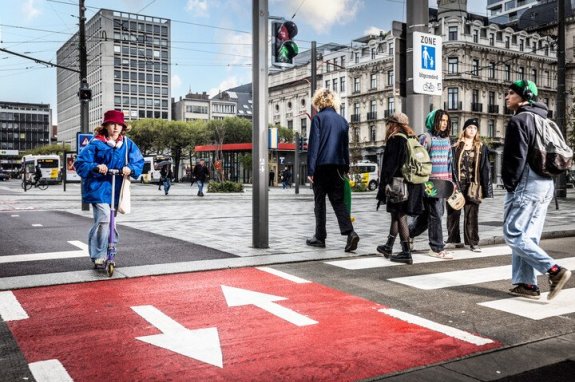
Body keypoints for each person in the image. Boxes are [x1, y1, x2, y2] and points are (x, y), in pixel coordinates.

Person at [502, 80, 571, 300]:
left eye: (511, 93)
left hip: (526, 181)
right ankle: (527, 284)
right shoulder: (544, 119)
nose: (506, 96)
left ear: (523, 98)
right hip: (545, 184)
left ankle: (554, 271)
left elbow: (516, 157)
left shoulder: (520, 120)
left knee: (513, 233)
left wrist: (510, 184)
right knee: (528, 236)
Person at [74, 110, 144, 265]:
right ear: (105, 126)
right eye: (112, 124)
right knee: (104, 218)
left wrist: (130, 168)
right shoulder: (95, 143)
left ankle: (109, 251)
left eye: (119, 124)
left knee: (110, 221)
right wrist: (96, 166)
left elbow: (138, 162)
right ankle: (98, 255)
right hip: (98, 187)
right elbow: (80, 163)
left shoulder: (127, 144)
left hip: (116, 189)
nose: (115, 127)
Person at [306, 87, 359, 252]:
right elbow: (345, 147)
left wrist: (311, 170)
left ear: (318, 102)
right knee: (338, 202)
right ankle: (350, 233)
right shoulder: (343, 121)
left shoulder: (318, 119)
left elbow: (313, 146)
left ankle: (319, 237)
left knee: (319, 202)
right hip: (338, 167)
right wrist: (346, 167)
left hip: (322, 167)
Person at [376, 113, 424, 264]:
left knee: (400, 215)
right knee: (396, 215)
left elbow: (389, 166)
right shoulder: (411, 138)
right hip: (412, 184)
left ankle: (406, 252)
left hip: (398, 184)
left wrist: (383, 186)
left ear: (393, 124)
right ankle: (388, 246)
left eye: (388, 124)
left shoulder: (395, 139)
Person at [409, 109, 453, 260]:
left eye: (446, 121)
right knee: (436, 214)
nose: (444, 124)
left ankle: (408, 233)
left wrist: (451, 183)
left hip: (443, 183)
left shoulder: (447, 139)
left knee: (432, 214)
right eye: (441, 120)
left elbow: (449, 162)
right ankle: (436, 248)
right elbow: (419, 161)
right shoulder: (425, 138)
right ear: (433, 121)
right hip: (429, 182)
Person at [446, 118, 493, 252]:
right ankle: (453, 239)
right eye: (469, 127)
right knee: (453, 212)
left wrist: (485, 188)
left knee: (472, 215)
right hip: (457, 183)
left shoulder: (481, 147)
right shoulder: (456, 146)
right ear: (464, 129)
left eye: (474, 128)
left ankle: (473, 242)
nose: (472, 130)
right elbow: (450, 167)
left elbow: (485, 168)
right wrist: (449, 184)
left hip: (473, 185)